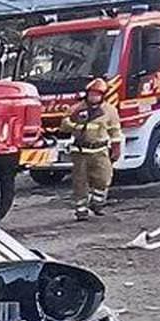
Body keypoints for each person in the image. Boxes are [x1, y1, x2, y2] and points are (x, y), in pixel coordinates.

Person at [67, 77, 123, 222]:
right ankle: (81, 211)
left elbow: (115, 130)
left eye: (97, 94)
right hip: (80, 151)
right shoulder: (77, 109)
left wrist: (116, 148)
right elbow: (64, 124)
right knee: (80, 182)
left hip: (100, 151)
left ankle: (97, 204)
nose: (94, 97)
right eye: (92, 94)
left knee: (104, 179)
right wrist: (77, 124)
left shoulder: (110, 111)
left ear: (103, 96)